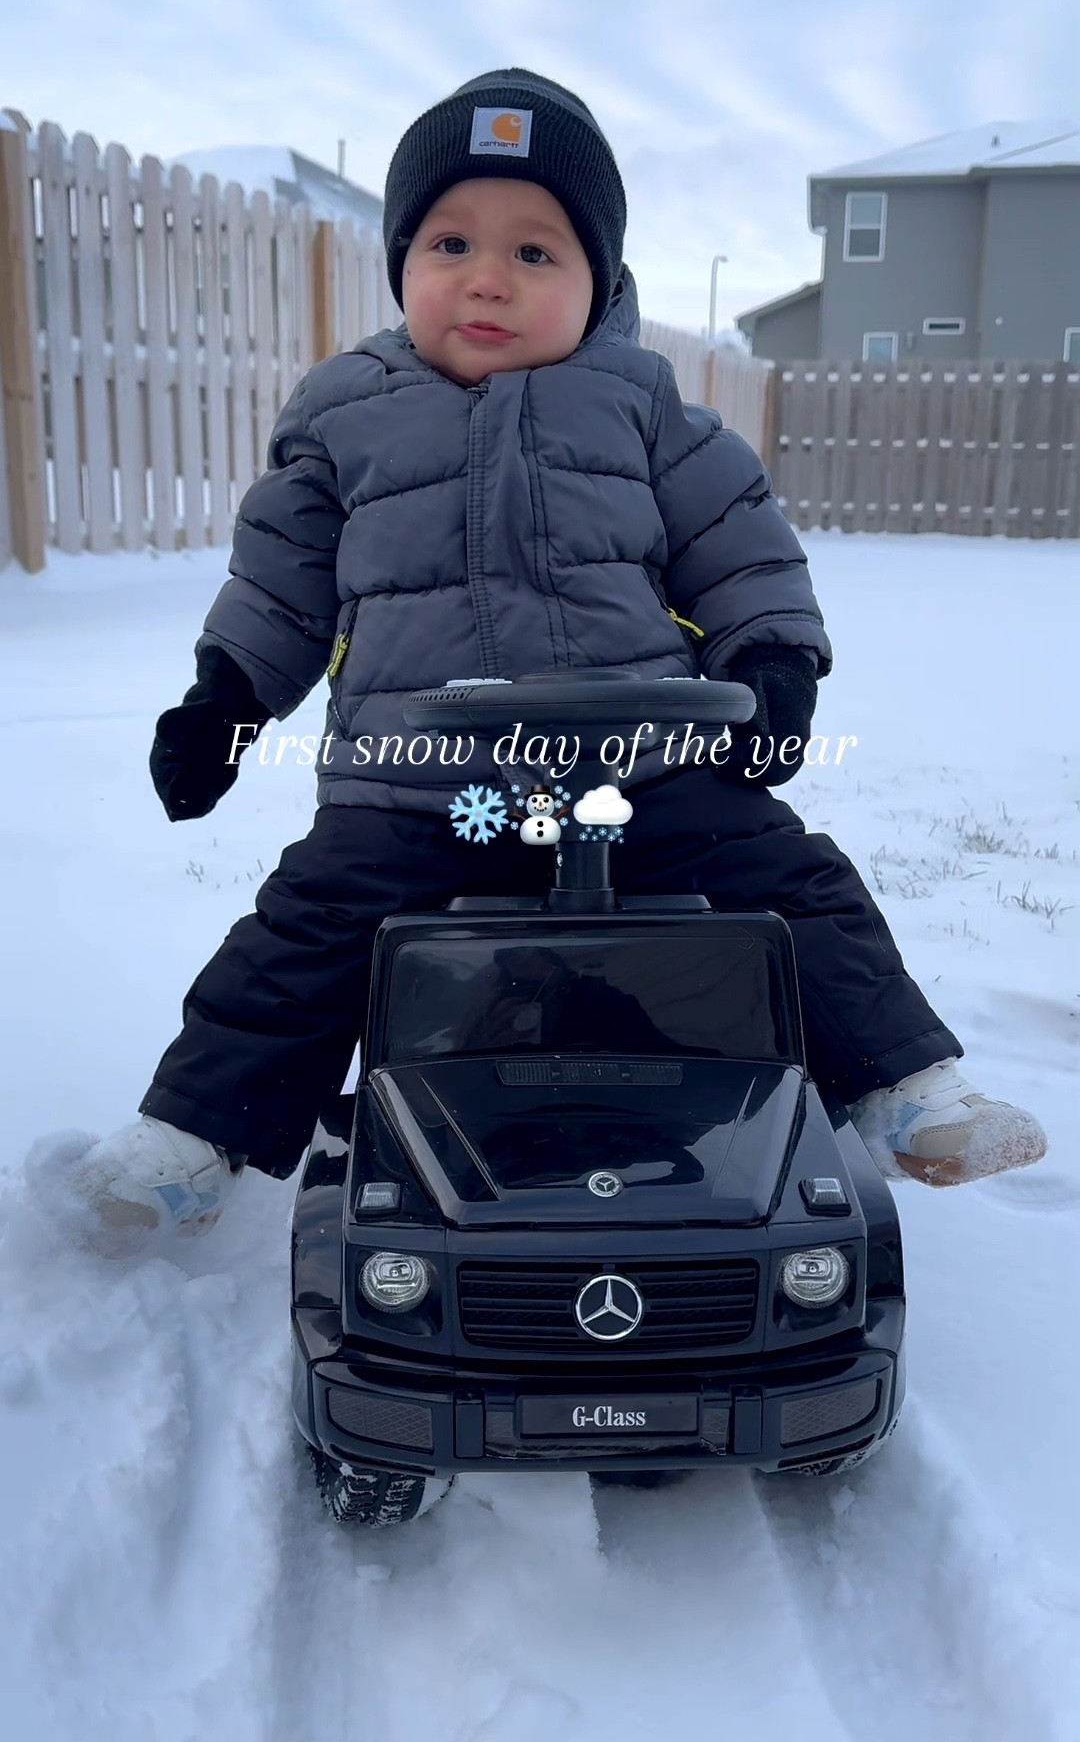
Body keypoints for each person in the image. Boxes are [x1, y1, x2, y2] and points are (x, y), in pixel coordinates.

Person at [74, 69, 1046, 1238]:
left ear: (601, 283)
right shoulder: (342, 417)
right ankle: (191, 1139)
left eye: (538, 253)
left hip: (641, 767)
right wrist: (220, 704)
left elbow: (740, 550)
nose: (488, 277)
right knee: (308, 929)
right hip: (416, 782)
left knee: (791, 882)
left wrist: (777, 663)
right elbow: (278, 585)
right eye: (451, 242)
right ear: (401, 264)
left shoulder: (643, 407)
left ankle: (906, 1088)